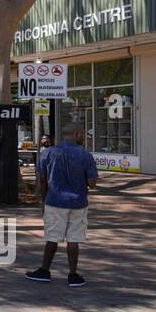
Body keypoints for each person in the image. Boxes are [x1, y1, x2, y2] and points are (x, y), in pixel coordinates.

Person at [27, 121, 97, 288]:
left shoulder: (48, 153)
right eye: (82, 134)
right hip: (78, 202)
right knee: (74, 239)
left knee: (52, 237)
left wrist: (43, 201)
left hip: (54, 200)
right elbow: (92, 183)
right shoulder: (85, 155)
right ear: (77, 135)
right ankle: (73, 275)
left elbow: (42, 181)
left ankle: (45, 270)